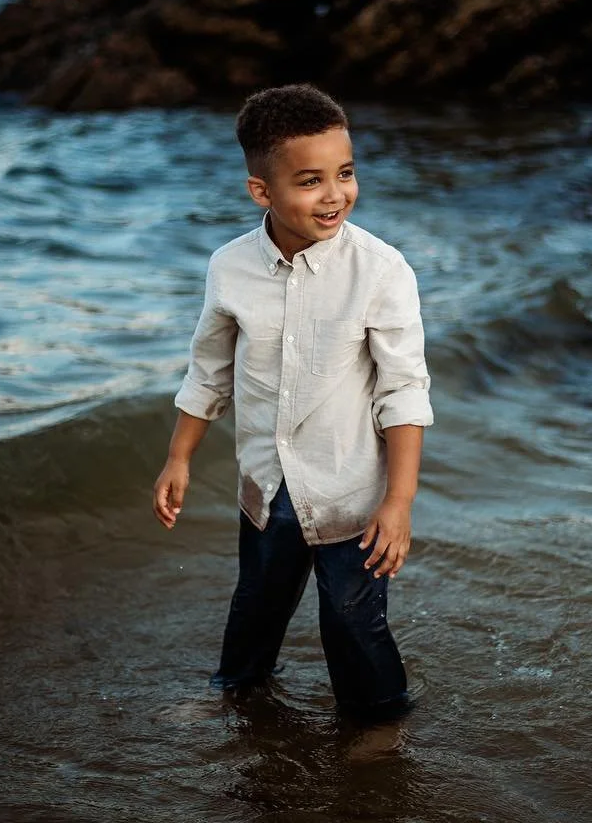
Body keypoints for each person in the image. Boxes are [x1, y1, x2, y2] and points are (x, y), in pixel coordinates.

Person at [152, 83, 434, 721]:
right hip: (266, 483)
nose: (335, 194)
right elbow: (209, 371)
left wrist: (399, 501)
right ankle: (238, 700)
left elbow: (404, 390)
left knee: (352, 621)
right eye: (311, 180)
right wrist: (179, 459)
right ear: (262, 191)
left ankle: (379, 726)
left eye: (346, 172)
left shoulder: (381, 270)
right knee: (256, 604)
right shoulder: (230, 269)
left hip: (350, 494)